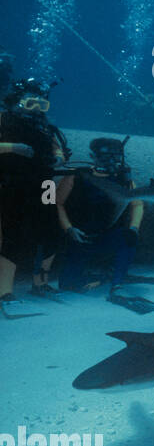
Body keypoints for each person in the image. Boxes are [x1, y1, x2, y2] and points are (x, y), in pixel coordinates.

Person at [56, 137, 154, 310]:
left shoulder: (125, 180)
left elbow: (137, 204)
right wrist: (69, 229)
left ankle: (117, 284)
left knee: (129, 239)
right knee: (68, 284)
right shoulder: (76, 176)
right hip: (79, 236)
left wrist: (134, 228)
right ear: (92, 156)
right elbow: (58, 203)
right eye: (105, 156)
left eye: (115, 156)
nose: (111, 161)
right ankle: (101, 276)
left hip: (108, 235)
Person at [0, 76, 69, 315]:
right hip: (13, 185)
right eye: (31, 103)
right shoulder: (3, 119)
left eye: (42, 104)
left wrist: (59, 157)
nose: (37, 109)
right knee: (13, 236)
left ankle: (41, 284)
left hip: (45, 185)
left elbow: (56, 148)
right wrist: (12, 148)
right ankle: (5, 292)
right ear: (17, 100)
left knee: (51, 232)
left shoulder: (45, 126)